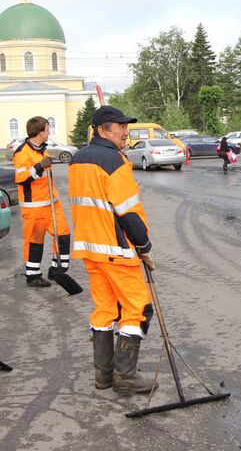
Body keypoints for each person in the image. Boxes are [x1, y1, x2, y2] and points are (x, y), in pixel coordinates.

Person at [69, 105, 158, 395]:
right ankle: (126, 376)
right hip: (117, 250)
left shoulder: (78, 159)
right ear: (102, 130)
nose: (125, 131)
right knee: (138, 308)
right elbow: (128, 212)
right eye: (119, 126)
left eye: (125, 126)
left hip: (90, 249)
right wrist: (143, 245)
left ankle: (103, 376)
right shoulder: (115, 162)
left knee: (105, 309)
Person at [13, 116, 77, 289]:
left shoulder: (44, 150)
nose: (49, 132)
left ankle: (58, 270)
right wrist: (39, 166)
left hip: (52, 203)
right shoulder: (21, 153)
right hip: (34, 207)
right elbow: (20, 178)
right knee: (35, 241)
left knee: (63, 234)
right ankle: (33, 276)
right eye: (48, 130)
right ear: (40, 132)